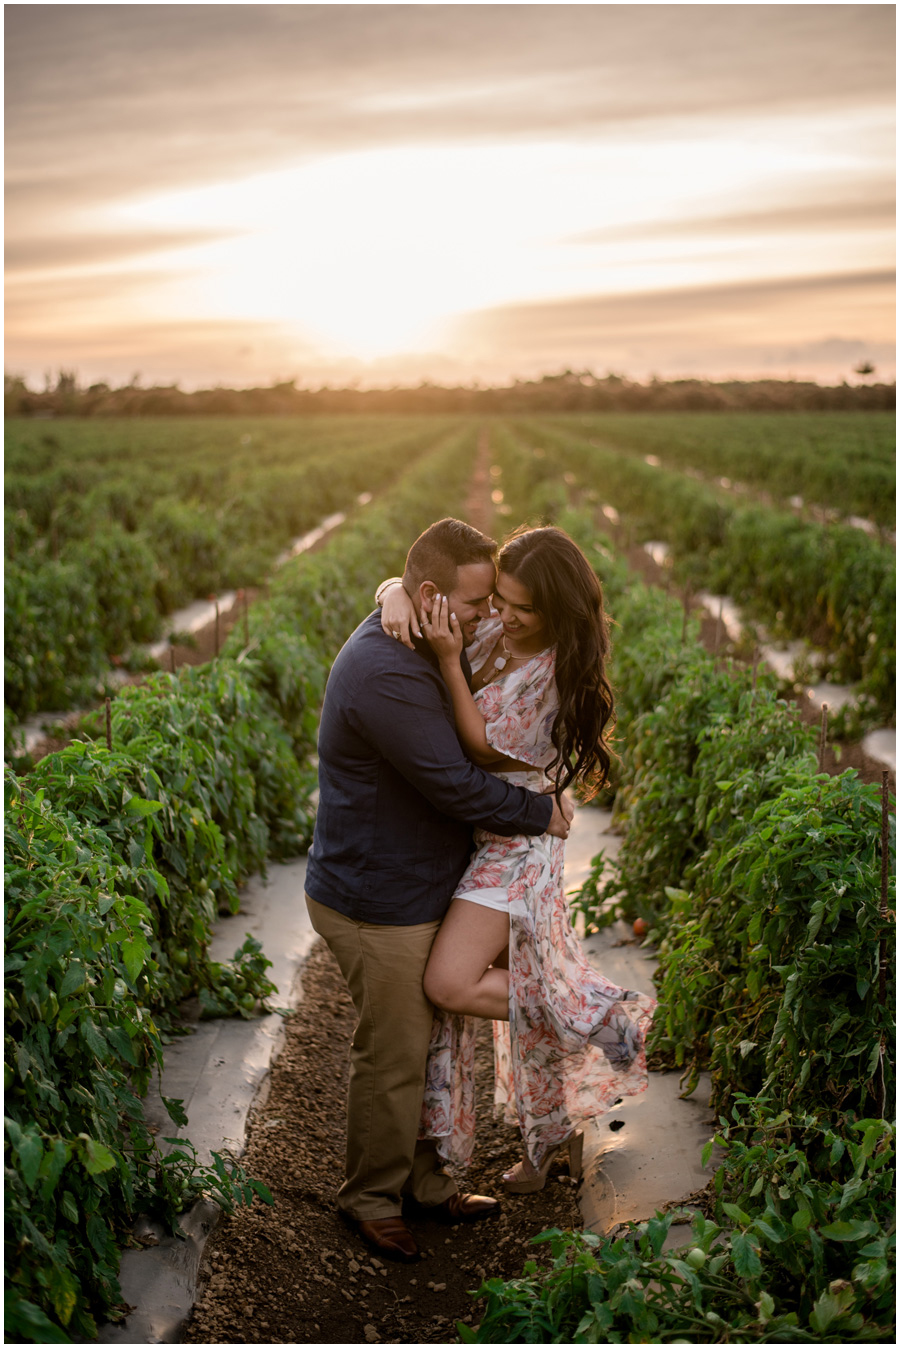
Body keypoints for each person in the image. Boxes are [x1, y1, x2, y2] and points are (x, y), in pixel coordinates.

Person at [304, 518, 574, 1264]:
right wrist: (541, 812)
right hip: (374, 899)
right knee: (393, 1056)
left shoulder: (413, 626)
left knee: (428, 1044)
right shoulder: (387, 674)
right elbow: (458, 783)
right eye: (477, 602)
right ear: (431, 596)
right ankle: (370, 1198)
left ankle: (422, 1187)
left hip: (408, 883)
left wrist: (390, 587)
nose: (489, 616)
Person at [379, 524, 656, 1192]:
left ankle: (600, 1017)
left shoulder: (555, 673)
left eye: (521, 608)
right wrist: (391, 592)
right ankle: (546, 1151)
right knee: (513, 1003)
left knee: (449, 983)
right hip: (490, 838)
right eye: (499, 599)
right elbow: (417, 585)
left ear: (557, 612)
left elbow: (477, 746)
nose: (503, 615)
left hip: (520, 850)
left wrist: (449, 661)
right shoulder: (493, 633)